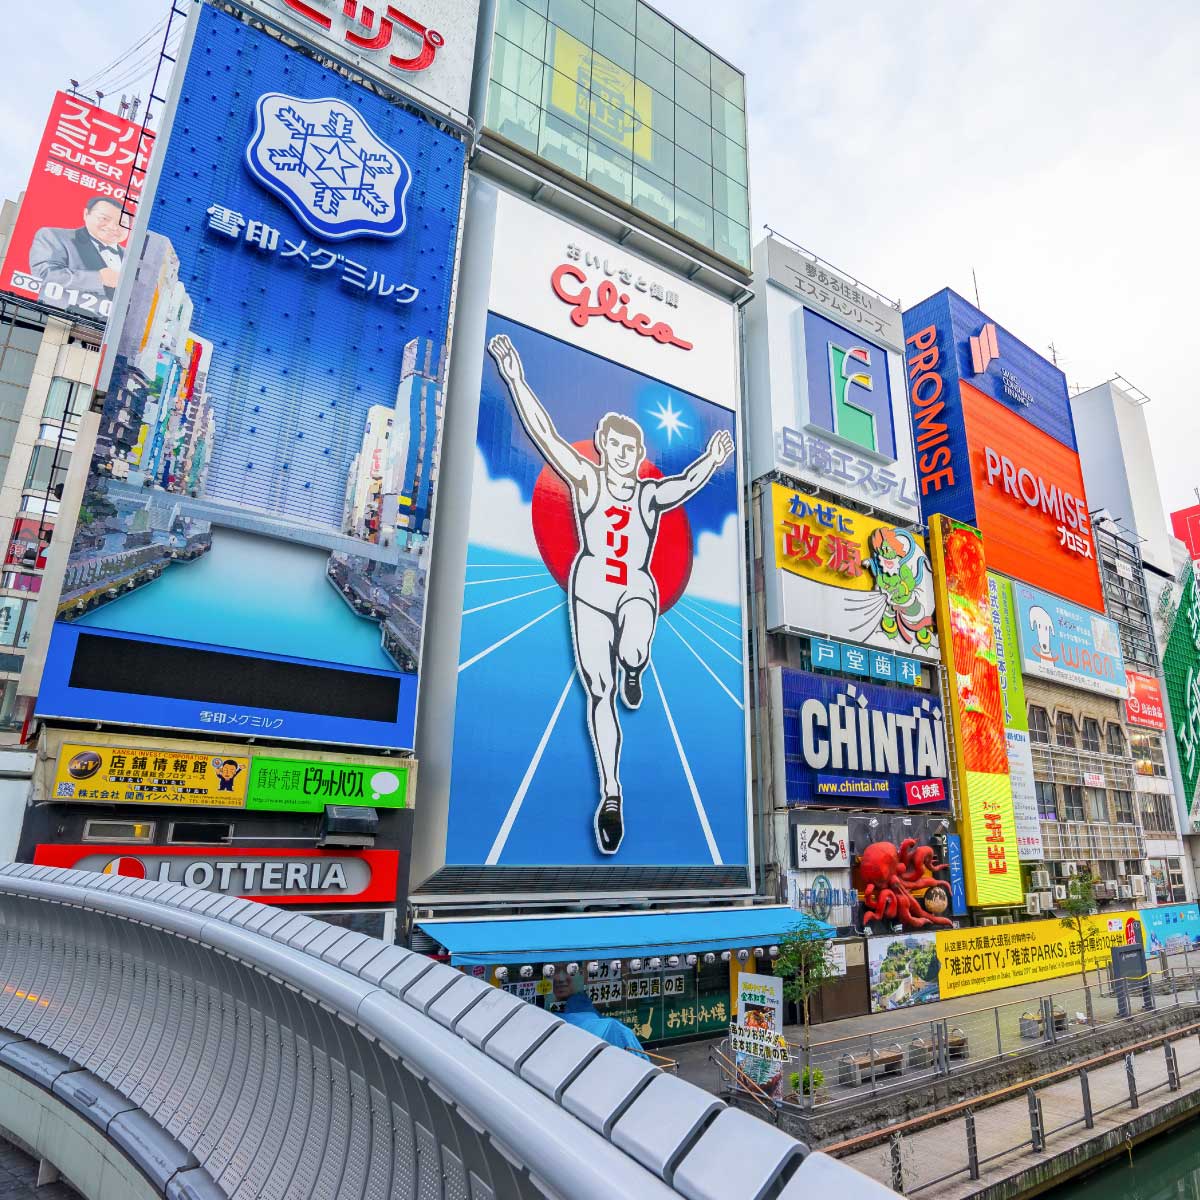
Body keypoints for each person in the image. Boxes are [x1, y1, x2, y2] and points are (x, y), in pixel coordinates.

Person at [488, 332, 733, 856]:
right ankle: (612, 793)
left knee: (633, 647)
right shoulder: (585, 480)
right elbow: (544, 434)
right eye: (615, 447)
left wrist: (712, 460)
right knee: (598, 693)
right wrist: (514, 378)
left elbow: (684, 484)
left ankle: (637, 666)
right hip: (591, 588)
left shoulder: (647, 495)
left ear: (640, 453)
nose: (622, 455)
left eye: (631, 449)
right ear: (604, 449)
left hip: (635, 588)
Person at [28, 195, 127, 312]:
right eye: (104, 218)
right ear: (86, 214)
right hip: (59, 317)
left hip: (113, 326)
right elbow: (44, 273)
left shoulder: (132, 260)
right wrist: (99, 278)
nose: (113, 227)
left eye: (122, 223)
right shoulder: (54, 236)